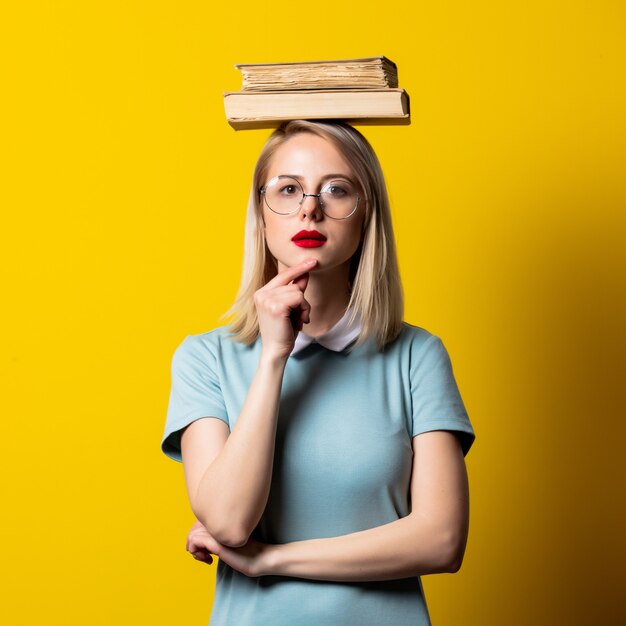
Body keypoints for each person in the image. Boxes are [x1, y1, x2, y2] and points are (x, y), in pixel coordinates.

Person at [161, 119, 476, 625]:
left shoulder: (417, 354)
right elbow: (228, 522)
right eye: (288, 189)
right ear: (261, 216)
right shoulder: (205, 358)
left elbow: (441, 540)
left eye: (336, 189)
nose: (310, 207)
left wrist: (273, 560)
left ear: (365, 214)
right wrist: (272, 358)